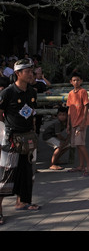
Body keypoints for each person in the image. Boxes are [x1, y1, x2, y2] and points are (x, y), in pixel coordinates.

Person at [0, 58, 40, 225]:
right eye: (28, 71)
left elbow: (32, 114)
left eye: (32, 71)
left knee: (27, 172)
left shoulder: (32, 92)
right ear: (17, 73)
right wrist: (5, 129)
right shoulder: (7, 93)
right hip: (11, 139)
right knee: (6, 175)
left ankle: (21, 202)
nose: (31, 74)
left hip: (28, 137)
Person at [66, 71, 89, 176]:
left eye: (78, 80)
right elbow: (69, 109)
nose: (76, 82)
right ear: (71, 82)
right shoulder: (70, 94)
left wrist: (83, 122)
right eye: (74, 80)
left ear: (81, 81)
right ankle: (81, 165)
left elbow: (86, 106)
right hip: (74, 122)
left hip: (81, 122)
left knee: (81, 144)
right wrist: (68, 124)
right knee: (78, 145)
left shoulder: (83, 92)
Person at [42, 106, 70, 170]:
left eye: (64, 115)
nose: (62, 116)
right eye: (60, 115)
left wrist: (66, 141)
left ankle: (56, 160)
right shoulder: (57, 123)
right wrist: (64, 140)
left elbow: (69, 133)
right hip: (48, 136)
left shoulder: (67, 123)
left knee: (67, 146)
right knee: (59, 146)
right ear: (57, 116)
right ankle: (52, 164)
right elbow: (58, 135)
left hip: (53, 136)